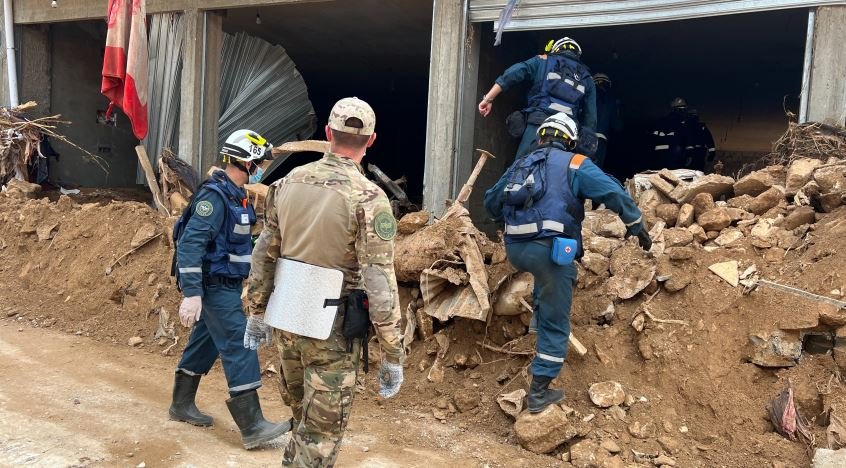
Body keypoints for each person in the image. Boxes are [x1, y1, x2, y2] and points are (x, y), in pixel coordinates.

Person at [245, 97, 405, 467]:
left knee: (302, 419)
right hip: (331, 331)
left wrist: (256, 311)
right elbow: (378, 280)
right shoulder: (369, 198)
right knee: (319, 435)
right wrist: (393, 352)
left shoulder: (286, 184)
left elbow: (264, 254)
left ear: (328, 133)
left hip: (286, 317)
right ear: (372, 140)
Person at [483, 112, 651, 414]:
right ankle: (539, 393)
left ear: (541, 136)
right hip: (550, 250)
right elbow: (612, 192)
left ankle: (536, 320)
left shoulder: (522, 163)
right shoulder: (575, 163)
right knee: (556, 318)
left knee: (546, 283)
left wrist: (508, 225)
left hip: (516, 249)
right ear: (570, 140)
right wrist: (636, 225)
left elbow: (491, 201)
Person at [169, 129, 291, 450]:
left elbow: (231, 242)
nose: (263, 167)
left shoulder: (235, 194)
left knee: (205, 343)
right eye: (260, 162)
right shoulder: (215, 197)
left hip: (225, 282)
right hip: (213, 287)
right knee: (240, 343)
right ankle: (253, 426)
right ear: (247, 162)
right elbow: (191, 244)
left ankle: (181, 404)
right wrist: (192, 293)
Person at [478, 36, 597, 159]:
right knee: (561, 172)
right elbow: (591, 118)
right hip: (567, 135)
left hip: (537, 126)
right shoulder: (587, 78)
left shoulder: (543, 61)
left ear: (556, 50)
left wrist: (488, 99)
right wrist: (585, 147)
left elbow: (514, 73)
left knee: (520, 169)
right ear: (577, 55)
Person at [592, 73, 623, 169]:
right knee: (596, 169)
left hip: (584, 137)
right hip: (601, 139)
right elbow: (617, 125)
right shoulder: (611, 100)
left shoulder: (586, 96)